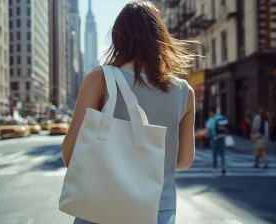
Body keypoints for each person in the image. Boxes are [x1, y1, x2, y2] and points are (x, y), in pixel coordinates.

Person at [61, 1, 196, 223]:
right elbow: (183, 161)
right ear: (161, 38)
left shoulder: (100, 79)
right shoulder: (184, 92)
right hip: (158, 212)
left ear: (117, 37)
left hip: (101, 210)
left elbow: (70, 154)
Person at [197, 107, 229, 175]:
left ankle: (215, 168)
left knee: (215, 154)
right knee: (222, 154)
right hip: (222, 137)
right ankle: (223, 167)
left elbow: (207, 130)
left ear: (211, 112)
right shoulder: (222, 117)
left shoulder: (212, 119)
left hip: (214, 138)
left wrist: (198, 133)